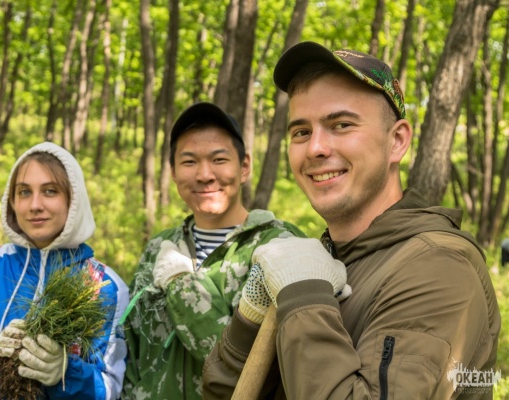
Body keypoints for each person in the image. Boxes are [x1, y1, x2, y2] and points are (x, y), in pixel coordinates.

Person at [203, 41, 501, 399]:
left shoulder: (438, 266)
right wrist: (250, 316)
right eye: (301, 132)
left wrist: (304, 296)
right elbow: (225, 391)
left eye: (341, 125)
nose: (315, 148)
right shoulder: (333, 257)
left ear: (397, 141)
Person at [121, 102, 305, 399]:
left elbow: (256, 371)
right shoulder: (159, 247)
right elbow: (130, 349)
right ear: (173, 171)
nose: (205, 175)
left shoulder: (278, 247)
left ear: (244, 166)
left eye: (219, 159)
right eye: (189, 161)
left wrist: (182, 286)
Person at [0, 142, 129, 399]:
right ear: (11, 201)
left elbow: (111, 386)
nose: (35, 205)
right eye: (24, 192)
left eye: (50, 191)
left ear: (74, 199)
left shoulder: (103, 287)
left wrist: (66, 374)